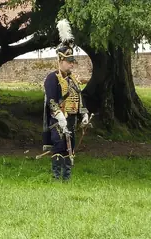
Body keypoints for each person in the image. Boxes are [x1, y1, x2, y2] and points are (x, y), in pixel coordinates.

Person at [42, 19, 89, 181]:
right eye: (69, 62)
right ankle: (56, 179)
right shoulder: (52, 78)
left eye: (72, 62)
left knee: (71, 149)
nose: (72, 65)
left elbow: (79, 97)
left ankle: (66, 179)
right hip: (58, 120)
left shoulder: (73, 80)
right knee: (60, 147)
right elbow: (52, 100)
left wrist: (84, 114)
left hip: (72, 121)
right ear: (60, 61)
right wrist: (59, 116)